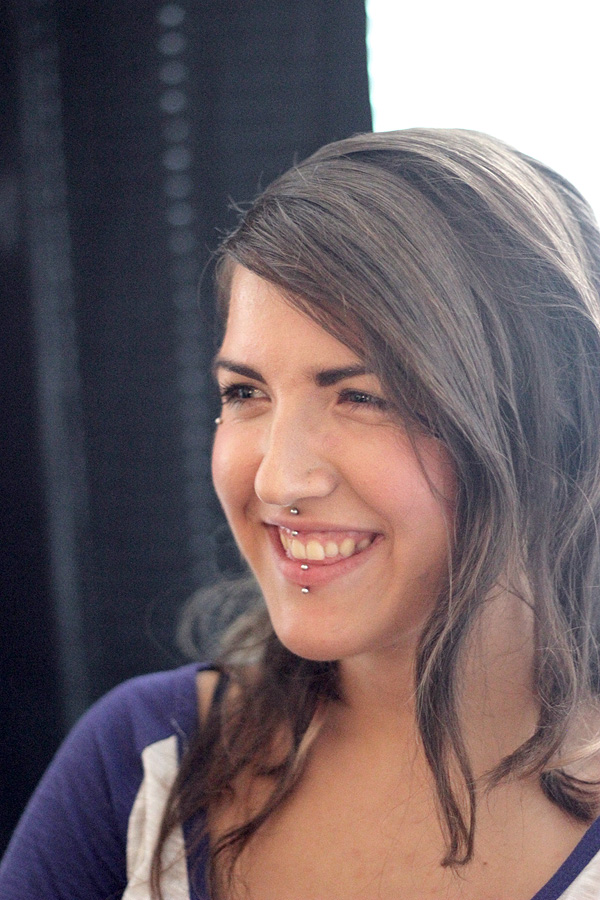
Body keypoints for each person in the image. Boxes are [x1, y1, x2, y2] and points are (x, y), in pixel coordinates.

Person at [2, 128, 600, 900]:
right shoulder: (141, 762)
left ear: (557, 426)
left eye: (365, 397)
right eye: (245, 392)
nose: (278, 479)